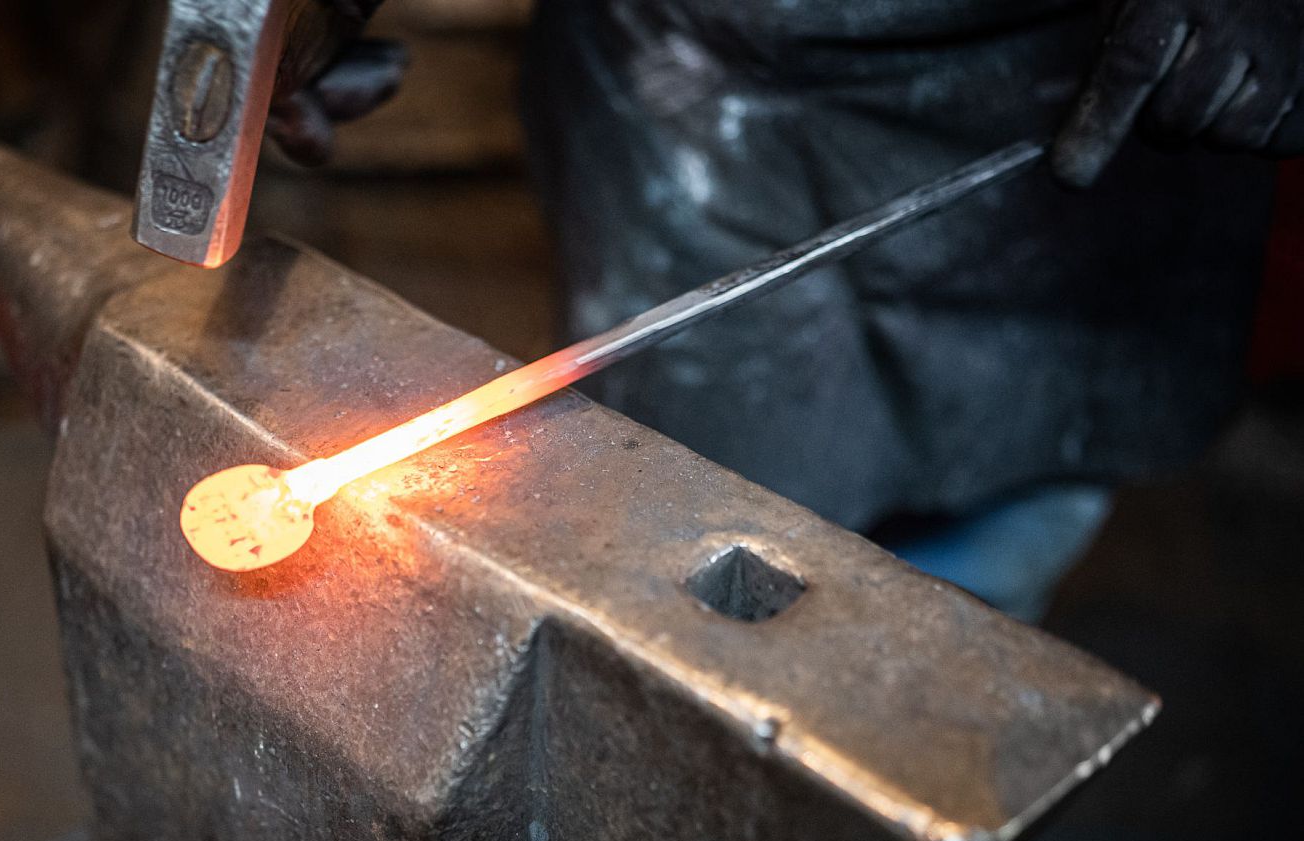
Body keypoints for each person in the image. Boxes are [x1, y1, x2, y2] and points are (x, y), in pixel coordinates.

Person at [274, 0, 1302, 620]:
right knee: (689, 521)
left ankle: (897, 822)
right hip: (682, 73)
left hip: (1066, 80)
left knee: (987, 518)